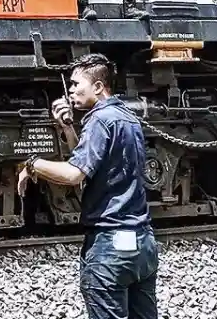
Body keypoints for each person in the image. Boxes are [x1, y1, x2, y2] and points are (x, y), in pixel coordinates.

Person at [17, 53, 159, 319]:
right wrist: (69, 129)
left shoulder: (99, 120)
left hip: (110, 246)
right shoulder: (127, 118)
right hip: (142, 244)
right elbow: (94, 171)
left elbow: (74, 174)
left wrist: (32, 165)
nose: (70, 90)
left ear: (97, 87)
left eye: (75, 84)